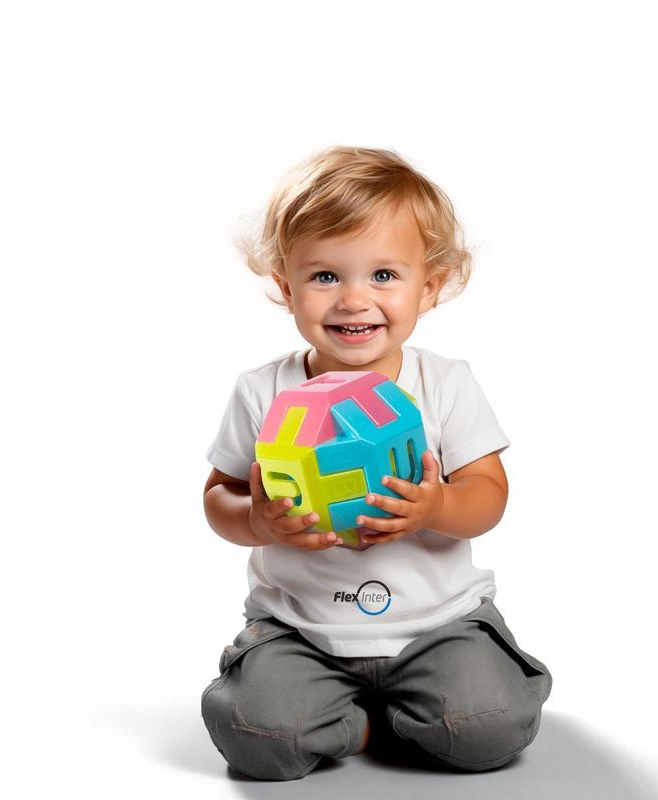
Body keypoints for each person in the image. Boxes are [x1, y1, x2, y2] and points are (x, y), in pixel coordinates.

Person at [200, 146, 552, 781]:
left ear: (430, 287)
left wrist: (436, 506)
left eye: (384, 275)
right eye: (325, 276)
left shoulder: (444, 383)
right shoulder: (262, 391)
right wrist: (255, 520)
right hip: (301, 630)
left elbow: (489, 494)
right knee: (257, 735)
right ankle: (363, 725)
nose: (353, 300)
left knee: (488, 727)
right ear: (285, 288)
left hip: (438, 626)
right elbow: (218, 495)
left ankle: (418, 708)